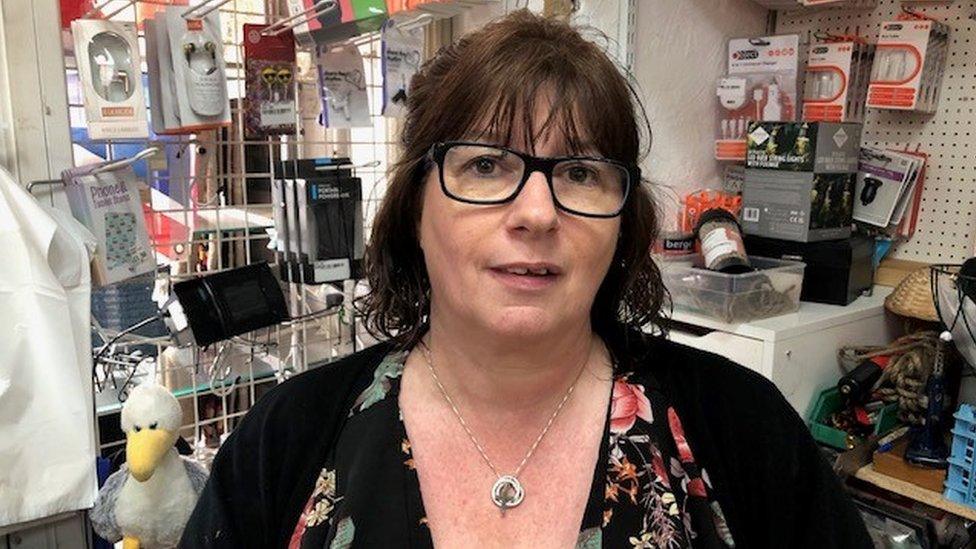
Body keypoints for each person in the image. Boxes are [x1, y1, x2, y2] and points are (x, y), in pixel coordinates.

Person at [181, 10, 871, 549]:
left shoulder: (742, 429)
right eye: (486, 165)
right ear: (414, 207)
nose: (537, 212)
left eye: (579, 173)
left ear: (622, 222)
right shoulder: (286, 441)